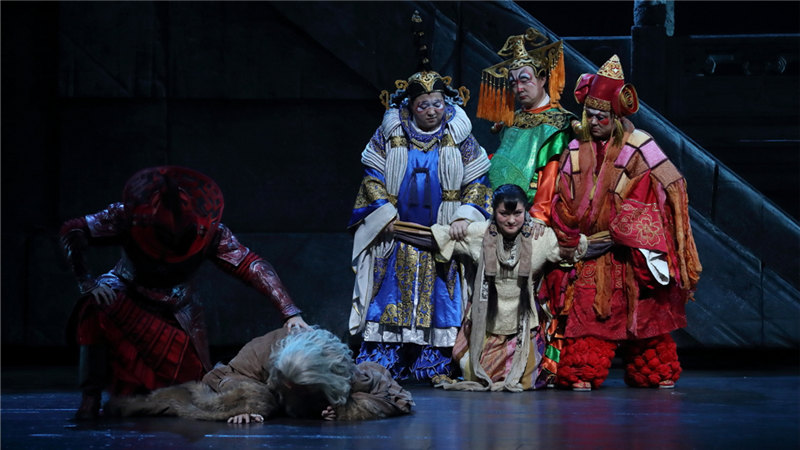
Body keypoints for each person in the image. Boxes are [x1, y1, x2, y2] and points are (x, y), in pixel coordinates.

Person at [59, 166, 309, 419]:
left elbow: (250, 265)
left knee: (192, 391)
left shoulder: (207, 229)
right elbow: (73, 229)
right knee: (94, 307)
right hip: (125, 293)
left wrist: (289, 312)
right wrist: (87, 282)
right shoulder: (127, 216)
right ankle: (90, 397)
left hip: (175, 310)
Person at [539, 55, 702, 391]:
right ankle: (583, 370)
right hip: (589, 249)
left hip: (630, 250)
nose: (593, 121)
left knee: (644, 313)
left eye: (601, 116)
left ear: (616, 117)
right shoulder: (574, 149)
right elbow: (562, 196)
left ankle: (652, 368)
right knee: (589, 313)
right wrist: (573, 233)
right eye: (589, 115)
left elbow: (660, 190)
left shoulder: (639, 146)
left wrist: (617, 228)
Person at [348, 12, 492, 382]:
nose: (431, 111)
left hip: (442, 235)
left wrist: (465, 216)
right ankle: (387, 357)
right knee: (389, 295)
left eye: (437, 104)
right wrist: (384, 214)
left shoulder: (460, 137)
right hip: (397, 233)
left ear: (447, 103)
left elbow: (478, 182)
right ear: (410, 107)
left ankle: (435, 359)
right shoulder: (390, 134)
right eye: (424, 105)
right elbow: (372, 178)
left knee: (441, 297)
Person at [428, 184, 586, 392]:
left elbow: (576, 246)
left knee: (525, 380)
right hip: (485, 318)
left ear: (526, 211)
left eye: (517, 213)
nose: (511, 220)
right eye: (504, 214)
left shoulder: (539, 237)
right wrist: (458, 224)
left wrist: (559, 229)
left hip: (523, 322)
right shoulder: (480, 233)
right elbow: (438, 237)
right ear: (494, 212)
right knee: (474, 372)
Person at [106, 327, 414, 422]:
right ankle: (130, 403)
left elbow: (394, 396)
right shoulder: (261, 352)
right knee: (251, 399)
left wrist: (346, 409)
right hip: (264, 388)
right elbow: (219, 378)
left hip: (323, 388)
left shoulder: (341, 369)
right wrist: (240, 405)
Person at [477, 28, 574, 238]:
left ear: (542, 79)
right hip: (495, 205)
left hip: (528, 210)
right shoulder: (513, 119)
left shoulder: (557, 122)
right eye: (513, 83)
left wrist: (540, 214)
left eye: (524, 80)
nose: (519, 88)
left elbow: (550, 172)